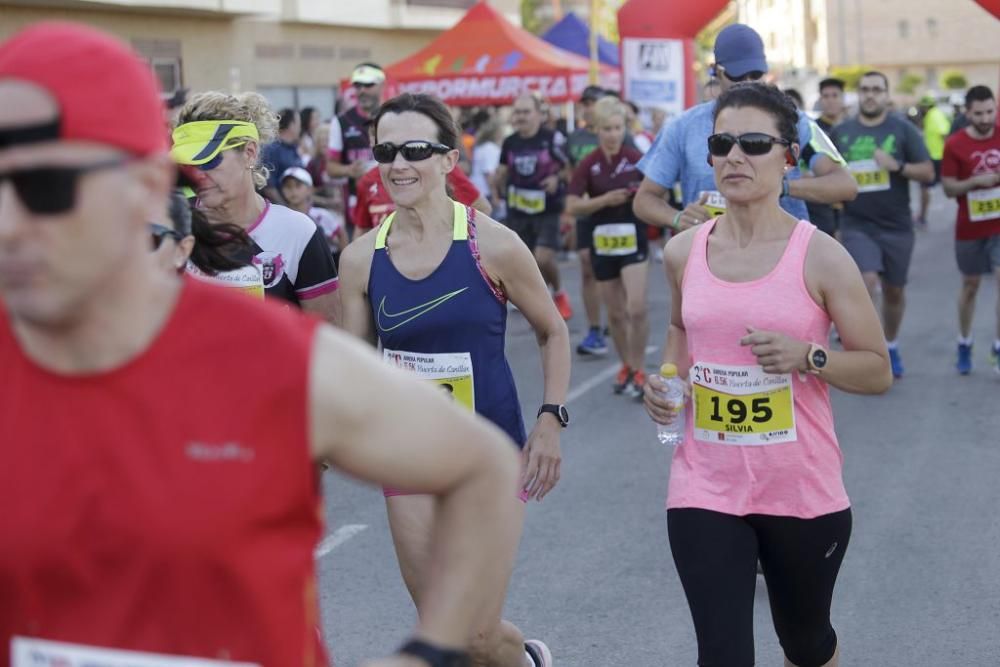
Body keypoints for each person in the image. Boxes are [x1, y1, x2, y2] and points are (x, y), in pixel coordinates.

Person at [0, 22, 523, 667]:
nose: (8, 225)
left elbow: (483, 467)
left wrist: (430, 651)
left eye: (44, 189)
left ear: (142, 190)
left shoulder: (270, 359)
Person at [644, 82, 892, 667]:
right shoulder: (683, 252)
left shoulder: (822, 255)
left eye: (753, 142)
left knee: (806, 645)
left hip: (801, 489)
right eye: (721, 142)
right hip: (705, 483)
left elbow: (877, 369)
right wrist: (667, 382)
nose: (734, 156)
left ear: (788, 156)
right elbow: (681, 332)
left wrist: (808, 356)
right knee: (723, 655)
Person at [338, 92, 570, 667]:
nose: (398, 164)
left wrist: (550, 420)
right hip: (408, 459)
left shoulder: (493, 244)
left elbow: (553, 331)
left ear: (449, 158)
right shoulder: (362, 259)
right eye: (386, 150)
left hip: (487, 459)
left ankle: (527, 660)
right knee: (442, 630)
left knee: (474, 634)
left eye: (415, 149)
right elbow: (355, 364)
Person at [634, 23, 856, 240]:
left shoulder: (796, 121)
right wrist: (677, 218)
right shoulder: (682, 127)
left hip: (782, 256)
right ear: (715, 71)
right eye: (738, 75)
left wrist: (781, 187)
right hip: (710, 259)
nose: (748, 83)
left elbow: (845, 185)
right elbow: (644, 199)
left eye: (756, 74)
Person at [171, 91, 340, 322]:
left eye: (209, 160)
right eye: (187, 164)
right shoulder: (171, 226)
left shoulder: (298, 232)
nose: (197, 175)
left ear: (250, 153)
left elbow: (327, 339)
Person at [831, 71, 935, 378]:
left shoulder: (902, 130)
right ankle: (867, 351)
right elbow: (827, 171)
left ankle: (890, 344)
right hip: (856, 223)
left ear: (886, 95)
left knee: (894, 291)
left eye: (876, 89)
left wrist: (897, 166)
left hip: (897, 225)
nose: (870, 95)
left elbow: (928, 172)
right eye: (865, 89)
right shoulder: (842, 132)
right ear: (859, 94)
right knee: (867, 281)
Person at [566, 97, 650, 397]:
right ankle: (626, 364)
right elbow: (573, 205)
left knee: (636, 308)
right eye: (606, 129)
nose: (612, 134)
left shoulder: (635, 157)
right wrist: (605, 200)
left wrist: (640, 193)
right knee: (615, 314)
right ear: (597, 131)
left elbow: (656, 189)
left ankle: (639, 367)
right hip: (603, 242)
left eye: (617, 128)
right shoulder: (589, 164)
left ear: (624, 128)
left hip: (632, 238)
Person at [493, 92, 574, 320]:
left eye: (526, 112)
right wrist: (498, 181)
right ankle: (540, 303)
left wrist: (557, 179)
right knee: (525, 261)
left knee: (543, 258)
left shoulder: (552, 138)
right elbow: (503, 169)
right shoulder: (510, 142)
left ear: (539, 114)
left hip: (547, 209)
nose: (521, 117)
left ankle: (558, 293)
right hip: (518, 209)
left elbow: (570, 170)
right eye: (517, 112)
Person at [941, 85, 1000, 374]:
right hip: (969, 229)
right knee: (970, 286)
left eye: (990, 111)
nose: (986, 118)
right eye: (979, 113)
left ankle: (998, 347)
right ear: (967, 113)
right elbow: (949, 188)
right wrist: (975, 183)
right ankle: (965, 341)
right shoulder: (955, 144)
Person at [567, 84, 611, 355]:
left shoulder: (616, 133)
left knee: (609, 271)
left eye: (593, 102)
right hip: (586, 211)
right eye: (585, 103)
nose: (589, 107)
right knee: (587, 266)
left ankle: (615, 316)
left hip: (615, 214)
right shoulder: (575, 138)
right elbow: (570, 173)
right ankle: (595, 328)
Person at [353, 157, 490, 231]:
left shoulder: (438, 168)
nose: (399, 166)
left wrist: (456, 244)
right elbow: (361, 229)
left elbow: (482, 207)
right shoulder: (367, 181)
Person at [328, 62, 385, 228]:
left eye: (368, 85)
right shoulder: (341, 121)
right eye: (358, 85)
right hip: (357, 202)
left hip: (391, 198)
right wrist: (349, 170)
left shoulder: (393, 116)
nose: (362, 90)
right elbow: (331, 167)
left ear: (382, 85)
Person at [280, 166, 348, 267]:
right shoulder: (282, 218)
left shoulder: (321, 215)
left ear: (309, 189)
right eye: (288, 187)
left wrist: (345, 263)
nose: (293, 191)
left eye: (298, 185)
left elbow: (341, 234)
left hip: (326, 265)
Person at [807, 78, 848, 237]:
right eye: (826, 96)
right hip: (821, 207)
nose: (830, 101)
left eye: (835, 95)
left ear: (842, 98)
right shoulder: (811, 130)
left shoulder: (853, 128)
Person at [916, 94, 952, 227]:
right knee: (925, 188)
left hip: (935, 157)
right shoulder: (931, 115)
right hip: (933, 156)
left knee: (925, 188)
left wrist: (949, 155)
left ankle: (922, 217)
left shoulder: (935, 115)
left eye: (921, 107)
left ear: (925, 107)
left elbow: (944, 135)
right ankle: (922, 216)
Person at [260, 106, 302, 204]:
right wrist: (286, 208)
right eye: (298, 124)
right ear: (292, 125)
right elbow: (269, 187)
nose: (300, 128)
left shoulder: (293, 148)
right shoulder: (272, 149)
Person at [470, 116, 503, 207]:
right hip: (485, 193)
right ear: (496, 132)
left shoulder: (480, 146)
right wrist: (495, 196)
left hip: (475, 189)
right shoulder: (490, 148)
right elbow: (489, 174)